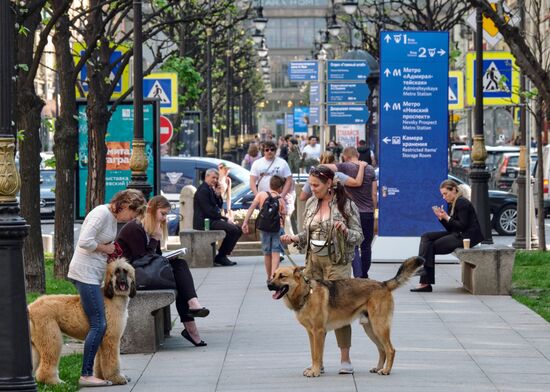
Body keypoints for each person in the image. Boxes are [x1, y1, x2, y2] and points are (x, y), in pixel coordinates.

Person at [281, 165, 363, 375]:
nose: (312, 188)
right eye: (310, 184)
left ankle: (345, 360)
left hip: (337, 262)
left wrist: (345, 230)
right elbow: (307, 233)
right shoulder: (310, 203)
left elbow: (359, 236)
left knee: (341, 310)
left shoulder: (346, 204)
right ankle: (318, 362)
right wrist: (294, 238)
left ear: (329, 184)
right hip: (313, 263)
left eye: (316, 185)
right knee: (313, 314)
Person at [68, 189, 146, 387]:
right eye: (133, 214)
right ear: (126, 205)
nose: (131, 219)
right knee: (100, 324)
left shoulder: (111, 216)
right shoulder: (101, 214)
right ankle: (86, 375)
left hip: (94, 275)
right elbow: (84, 241)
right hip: (85, 274)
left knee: (102, 325)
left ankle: (103, 373)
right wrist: (106, 248)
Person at [117, 195, 210, 346]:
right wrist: (155, 239)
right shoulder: (134, 228)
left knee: (180, 265)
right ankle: (192, 326)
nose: (164, 219)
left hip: (144, 271)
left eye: (166, 214)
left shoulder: (152, 228)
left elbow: (155, 257)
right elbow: (141, 260)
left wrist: (166, 253)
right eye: (163, 214)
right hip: (129, 276)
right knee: (179, 279)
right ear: (152, 210)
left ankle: (193, 305)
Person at [411, 179, 484, 292]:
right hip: (457, 233)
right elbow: (451, 228)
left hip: (467, 237)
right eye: (442, 194)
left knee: (430, 246)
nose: (444, 197)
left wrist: (447, 217)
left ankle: (425, 281)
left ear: (454, 190)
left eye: (445, 193)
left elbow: (462, 226)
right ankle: (424, 274)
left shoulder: (462, 202)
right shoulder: (452, 203)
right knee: (426, 236)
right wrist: (442, 219)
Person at [322, 147, 377, 278]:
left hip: (351, 212)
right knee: (366, 246)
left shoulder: (344, 166)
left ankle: (358, 275)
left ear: (345, 156)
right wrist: (373, 210)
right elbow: (374, 194)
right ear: (357, 154)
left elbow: (323, 166)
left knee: (353, 245)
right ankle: (364, 274)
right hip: (368, 212)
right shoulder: (370, 169)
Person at [193, 168, 242, 266]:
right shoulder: (203, 190)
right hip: (204, 222)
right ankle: (221, 256)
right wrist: (226, 219)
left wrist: (218, 195)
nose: (215, 180)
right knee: (233, 230)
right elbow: (208, 210)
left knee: (238, 229)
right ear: (207, 177)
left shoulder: (210, 189)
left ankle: (222, 255)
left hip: (212, 219)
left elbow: (218, 206)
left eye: (216, 178)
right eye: (213, 178)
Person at [242, 175, 286, 281]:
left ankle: (268, 277)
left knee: (267, 253)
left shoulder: (261, 194)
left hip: (264, 227)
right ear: (280, 187)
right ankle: (273, 276)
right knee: (276, 252)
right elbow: (283, 214)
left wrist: (245, 222)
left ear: (270, 184)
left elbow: (252, 207)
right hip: (276, 228)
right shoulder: (280, 199)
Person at [299, 152, 367, 201]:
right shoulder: (338, 175)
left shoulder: (313, 177)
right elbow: (357, 183)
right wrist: (361, 166)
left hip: (317, 210)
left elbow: (302, 197)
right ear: (334, 161)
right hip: (335, 211)